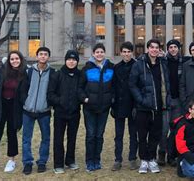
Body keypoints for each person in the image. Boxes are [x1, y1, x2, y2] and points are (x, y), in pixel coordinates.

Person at [129, 39, 171, 174]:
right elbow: (132, 84)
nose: (154, 50)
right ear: (147, 49)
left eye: (156, 48)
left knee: (155, 135)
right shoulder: (139, 64)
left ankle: (152, 159)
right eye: (151, 47)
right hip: (143, 107)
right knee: (142, 135)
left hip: (158, 107)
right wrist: (141, 100)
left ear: (159, 50)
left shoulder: (163, 64)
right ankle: (144, 160)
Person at [0, 51, 27, 177]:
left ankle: (11, 160)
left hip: (14, 107)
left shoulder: (24, 74)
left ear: (21, 59)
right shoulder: (0, 73)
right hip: (1, 106)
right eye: (12, 59)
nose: (14, 61)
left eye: (17, 58)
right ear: (8, 60)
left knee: (12, 133)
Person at [78, 43, 114, 172]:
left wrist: (111, 99)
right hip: (90, 108)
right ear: (93, 54)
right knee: (91, 135)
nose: (99, 54)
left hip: (104, 108)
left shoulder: (110, 68)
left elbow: (114, 86)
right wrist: (85, 99)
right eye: (97, 52)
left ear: (104, 53)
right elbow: (80, 87)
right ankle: (89, 161)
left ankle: (97, 160)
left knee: (99, 135)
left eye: (101, 52)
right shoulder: (87, 68)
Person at [19, 46, 54, 175]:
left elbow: (53, 91)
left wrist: (49, 104)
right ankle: (27, 162)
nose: (43, 56)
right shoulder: (29, 71)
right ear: (37, 56)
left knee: (45, 137)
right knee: (26, 138)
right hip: (28, 110)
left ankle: (42, 161)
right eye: (41, 54)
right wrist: (25, 101)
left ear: (48, 57)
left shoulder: (53, 72)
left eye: (45, 54)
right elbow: (22, 89)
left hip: (44, 111)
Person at [47, 50, 82, 174]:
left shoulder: (80, 75)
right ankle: (58, 164)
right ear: (65, 60)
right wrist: (60, 101)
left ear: (77, 61)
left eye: (74, 60)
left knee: (72, 138)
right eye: (69, 59)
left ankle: (70, 160)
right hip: (60, 113)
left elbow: (82, 91)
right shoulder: (58, 74)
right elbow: (50, 94)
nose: (71, 62)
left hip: (75, 112)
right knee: (58, 139)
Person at [159, 39, 190, 166]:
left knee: (176, 130)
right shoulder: (163, 61)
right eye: (170, 47)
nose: (173, 49)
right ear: (167, 49)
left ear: (179, 48)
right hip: (166, 99)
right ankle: (161, 153)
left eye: (175, 47)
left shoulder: (185, 62)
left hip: (179, 100)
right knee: (164, 129)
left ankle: (172, 155)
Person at [111, 42, 138, 171]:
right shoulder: (116, 67)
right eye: (124, 52)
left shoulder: (137, 65)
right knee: (119, 135)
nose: (126, 54)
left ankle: (132, 158)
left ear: (132, 52)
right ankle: (118, 159)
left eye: (129, 52)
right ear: (121, 52)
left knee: (133, 134)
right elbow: (114, 86)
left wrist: (137, 105)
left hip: (133, 104)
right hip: (119, 105)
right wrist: (113, 104)